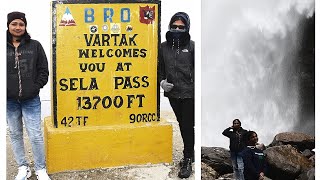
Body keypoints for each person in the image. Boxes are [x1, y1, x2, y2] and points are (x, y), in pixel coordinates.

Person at [7, 11, 51, 180]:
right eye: (14, 24)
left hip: (31, 100)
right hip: (9, 102)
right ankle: (22, 167)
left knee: (35, 135)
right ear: (8, 25)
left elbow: (43, 70)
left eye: (21, 24)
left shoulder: (35, 45)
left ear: (25, 26)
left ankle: (40, 169)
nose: (18, 27)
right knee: (15, 134)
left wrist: (35, 87)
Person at [159, 12, 194, 179]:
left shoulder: (193, 46)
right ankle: (190, 152)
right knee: (182, 124)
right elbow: (159, 69)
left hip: (189, 94)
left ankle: (187, 159)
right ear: (169, 27)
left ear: (187, 28)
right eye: (174, 26)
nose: (177, 29)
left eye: (181, 27)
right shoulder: (163, 47)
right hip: (172, 94)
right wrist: (162, 83)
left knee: (187, 126)